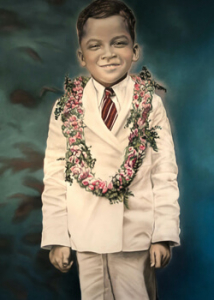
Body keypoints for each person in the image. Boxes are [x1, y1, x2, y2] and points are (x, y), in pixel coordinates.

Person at [41, 0, 180, 299]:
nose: (108, 54)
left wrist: (163, 235)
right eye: (95, 46)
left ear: (135, 51)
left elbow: (164, 172)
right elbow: (54, 178)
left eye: (119, 43)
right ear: (81, 56)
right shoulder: (65, 109)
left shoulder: (150, 104)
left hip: (135, 234)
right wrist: (57, 237)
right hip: (85, 233)